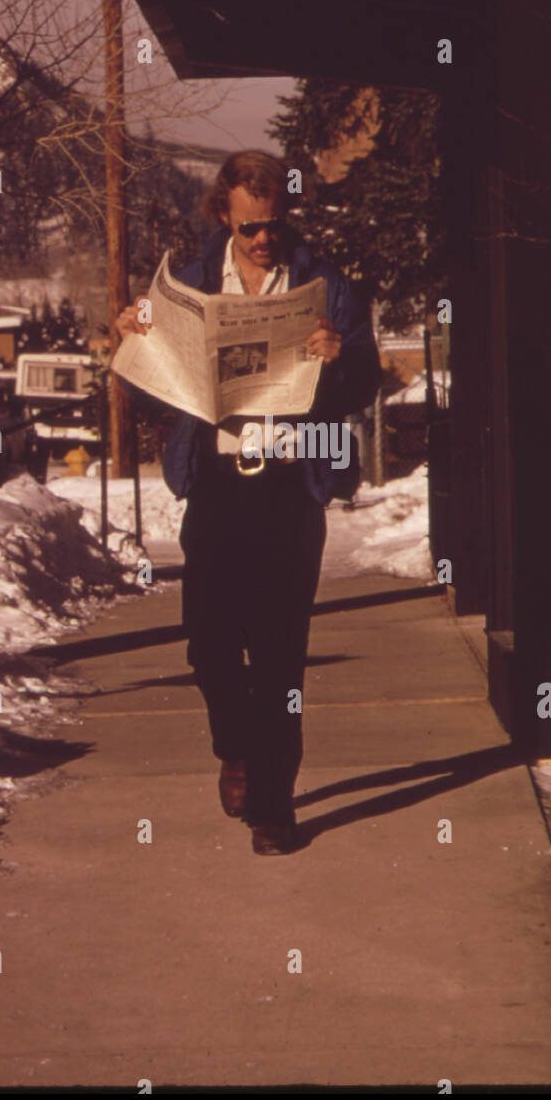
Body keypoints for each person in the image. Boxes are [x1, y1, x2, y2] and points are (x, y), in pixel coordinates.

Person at [116, 151, 381, 854]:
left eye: (273, 226)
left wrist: (339, 358)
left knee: (278, 657)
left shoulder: (325, 284)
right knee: (207, 644)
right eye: (250, 228)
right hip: (218, 483)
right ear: (224, 215)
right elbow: (153, 396)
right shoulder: (192, 283)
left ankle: (273, 803)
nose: (264, 240)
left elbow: (366, 380)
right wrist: (133, 346)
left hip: (290, 490)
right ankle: (233, 743)